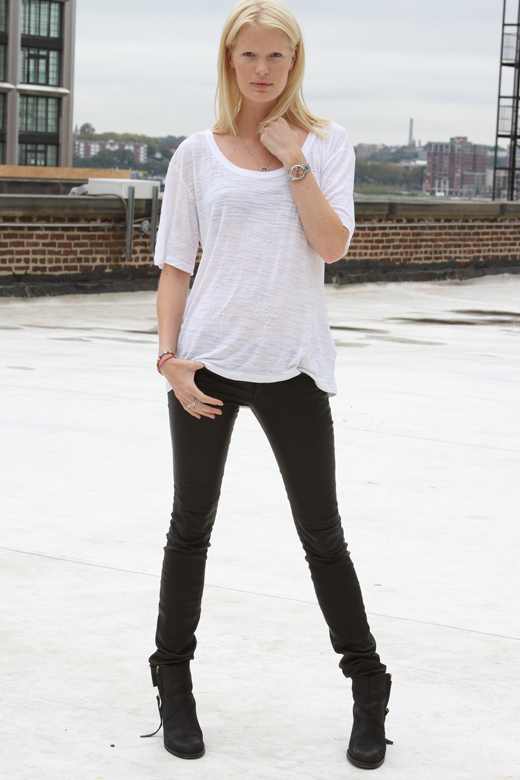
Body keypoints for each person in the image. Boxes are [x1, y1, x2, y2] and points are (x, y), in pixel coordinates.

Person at [143, 0, 392, 769]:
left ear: (294, 62)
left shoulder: (327, 143)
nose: (261, 69)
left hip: (293, 365)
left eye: (275, 56)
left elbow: (332, 244)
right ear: (230, 61)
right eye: (247, 55)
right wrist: (169, 358)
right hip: (207, 365)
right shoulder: (196, 154)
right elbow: (176, 267)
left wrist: (293, 159)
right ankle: (173, 683)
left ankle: (369, 687)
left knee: (323, 537)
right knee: (190, 530)